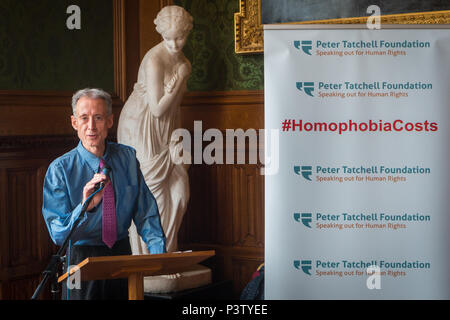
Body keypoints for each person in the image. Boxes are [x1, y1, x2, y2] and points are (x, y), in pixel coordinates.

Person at [42, 88, 166, 300]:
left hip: (121, 253)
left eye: (98, 118)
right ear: (74, 123)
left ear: (109, 121)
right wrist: (85, 206)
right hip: (80, 258)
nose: (91, 126)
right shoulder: (60, 170)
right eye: (84, 118)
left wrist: (160, 256)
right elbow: (58, 234)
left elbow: (146, 213)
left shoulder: (127, 158)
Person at [117, 5, 193, 254]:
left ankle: (165, 253)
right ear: (161, 34)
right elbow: (157, 108)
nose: (174, 44)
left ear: (187, 32)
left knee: (179, 189)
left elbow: (173, 109)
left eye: (180, 37)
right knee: (153, 190)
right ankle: (149, 259)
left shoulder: (182, 61)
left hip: (166, 127)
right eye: (168, 38)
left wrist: (177, 139)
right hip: (142, 126)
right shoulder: (155, 60)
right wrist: (181, 78)